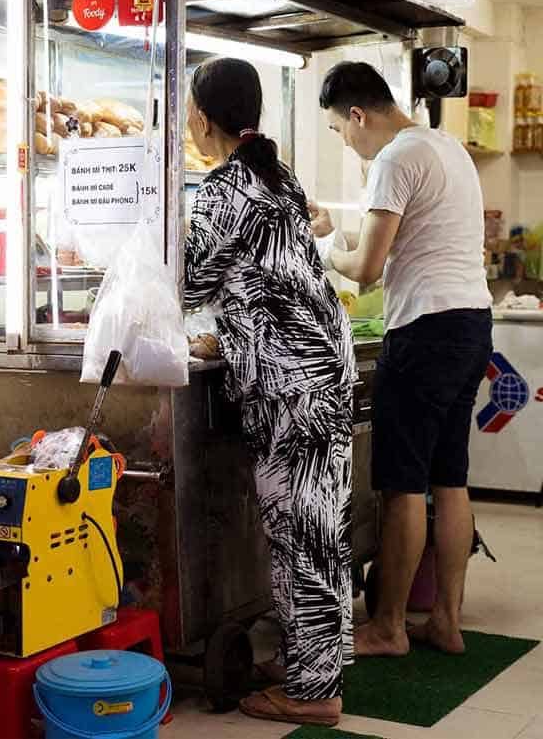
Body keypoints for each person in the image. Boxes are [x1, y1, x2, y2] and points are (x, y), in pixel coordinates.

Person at [183, 58, 355, 726]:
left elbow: (191, 281)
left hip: (292, 385)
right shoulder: (275, 176)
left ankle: (314, 695)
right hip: (318, 369)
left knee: (300, 533)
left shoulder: (226, 186)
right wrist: (228, 340)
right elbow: (269, 283)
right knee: (320, 528)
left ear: (201, 115)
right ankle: (315, 666)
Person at [312, 61, 492, 658]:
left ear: (358, 115)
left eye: (340, 131)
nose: (347, 142)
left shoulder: (394, 158)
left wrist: (325, 246)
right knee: (450, 477)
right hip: (471, 325)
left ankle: (388, 627)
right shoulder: (447, 148)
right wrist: (343, 237)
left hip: (426, 332)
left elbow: (366, 269)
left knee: (403, 485)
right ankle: (445, 620)